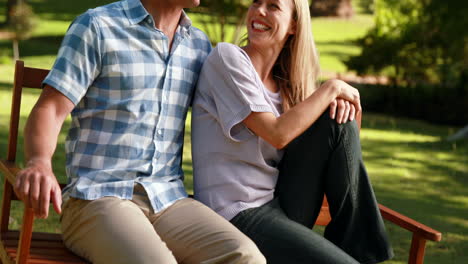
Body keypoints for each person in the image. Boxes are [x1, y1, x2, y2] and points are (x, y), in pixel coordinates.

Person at [12, 0, 266, 263]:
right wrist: (39, 162)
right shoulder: (98, 26)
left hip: (168, 200)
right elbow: (51, 109)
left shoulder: (197, 45)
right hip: (97, 198)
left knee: (245, 257)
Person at [192, 0, 394, 263]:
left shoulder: (287, 85)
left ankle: (359, 252)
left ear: (294, 25)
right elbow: (276, 133)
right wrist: (332, 88)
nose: (259, 11)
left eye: (273, 6)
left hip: (281, 202)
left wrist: (344, 105)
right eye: (256, 2)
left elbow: (346, 148)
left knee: (337, 119)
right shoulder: (227, 59)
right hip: (237, 214)